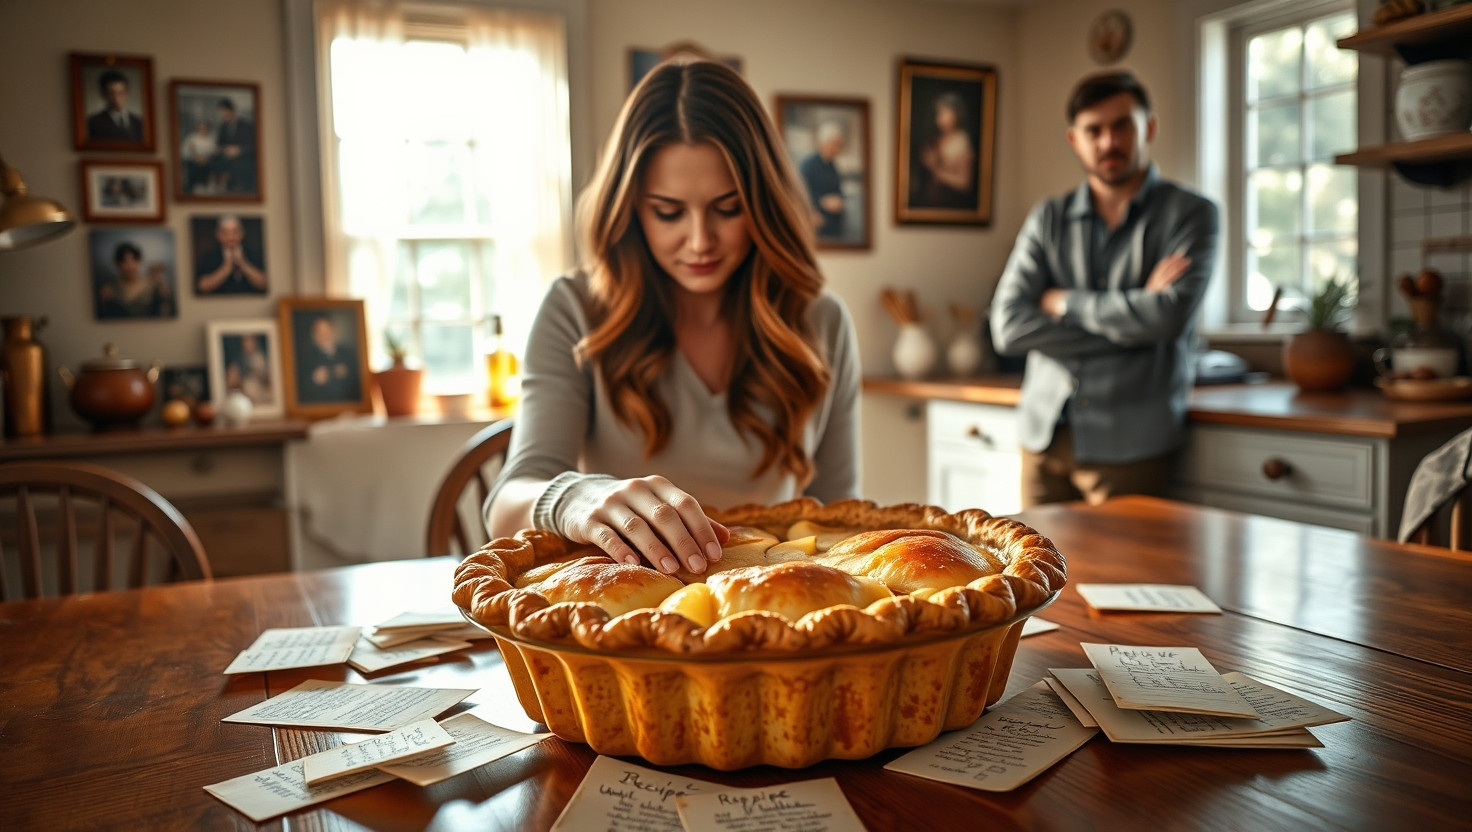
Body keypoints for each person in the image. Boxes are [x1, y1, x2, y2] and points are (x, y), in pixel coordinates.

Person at [485, 59, 861, 577]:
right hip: (627, 617)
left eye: (728, 208)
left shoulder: (823, 321)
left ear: (764, 203)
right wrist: (576, 497)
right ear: (631, 208)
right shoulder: (574, 308)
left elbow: (843, 518)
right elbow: (507, 502)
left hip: (772, 610)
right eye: (668, 212)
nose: (701, 240)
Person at [989, 70, 1219, 508]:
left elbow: (1167, 318)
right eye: (1094, 130)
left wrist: (1063, 302)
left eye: (1121, 126)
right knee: (1035, 575)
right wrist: (1134, 320)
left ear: (1148, 127)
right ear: (1075, 139)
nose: (1108, 142)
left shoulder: (1193, 215)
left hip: (1133, 445)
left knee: (1124, 577)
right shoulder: (1048, 217)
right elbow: (1009, 327)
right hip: (1043, 439)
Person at [916, 92, 975, 208]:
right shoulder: (937, 139)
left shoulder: (962, 142)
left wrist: (935, 169)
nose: (939, 118)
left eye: (944, 113)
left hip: (951, 201)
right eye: (938, 114)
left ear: (956, 114)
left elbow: (964, 182)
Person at [96, 241, 174, 319]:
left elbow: (166, 311)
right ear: (117, 264)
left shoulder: (153, 285)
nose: (130, 265)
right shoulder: (110, 287)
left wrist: (163, 288)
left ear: (139, 261)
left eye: (134, 260)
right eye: (124, 261)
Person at [195, 215, 267, 294]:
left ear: (242, 233)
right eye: (225, 232)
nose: (231, 237)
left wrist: (244, 265)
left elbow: (264, 283)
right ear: (218, 235)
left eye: (235, 232)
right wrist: (225, 269)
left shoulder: (254, 253)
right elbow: (202, 287)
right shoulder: (209, 256)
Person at [798, 121, 846, 240]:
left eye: (839, 144)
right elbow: (801, 191)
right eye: (835, 144)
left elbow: (838, 191)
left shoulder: (833, 167)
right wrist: (818, 204)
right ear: (824, 143)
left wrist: (839, 201)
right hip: (816, 221)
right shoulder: (809, 165)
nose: (837, 148)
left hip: (833, 223)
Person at [297, 315, 361, 403]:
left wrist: (347, 373)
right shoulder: (306, 358)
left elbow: (359, 383)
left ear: (333, 331)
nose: (324, 335)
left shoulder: (348, 353)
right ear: (314, 335)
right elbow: (299, 388)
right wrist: (313, 379)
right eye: (320, 332)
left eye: (327, 331)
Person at [85, 69, 145, 143]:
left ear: (126, 93)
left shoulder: (138, 122)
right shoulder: (93, 122)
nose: (116, 98)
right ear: (104, 94)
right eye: (112, 93)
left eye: (121, 92)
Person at [214, 97, 257, 194]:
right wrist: (225, 150)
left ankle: (238, 188)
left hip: (244, 157)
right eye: (221, 111)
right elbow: (219, 145)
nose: (224, 114)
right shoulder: (223, 127)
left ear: (232, 110)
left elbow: (253, 146)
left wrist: (239, 150)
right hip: (227, 157)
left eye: (226, 110)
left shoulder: (246, 125)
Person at [181, 120, 219, 193]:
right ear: (197, 129)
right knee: (192, 167)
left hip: (207, 161)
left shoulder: (211, 139)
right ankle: (192, 187)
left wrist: (206, 158)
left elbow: (214, 151)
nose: (203, 130)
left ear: (208, 129)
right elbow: (186, 151)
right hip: (193, 161)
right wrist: (196, 157)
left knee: (211, 165)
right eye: (200, 128)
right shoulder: (191, 138)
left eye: (204, 128)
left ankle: (207, 186)